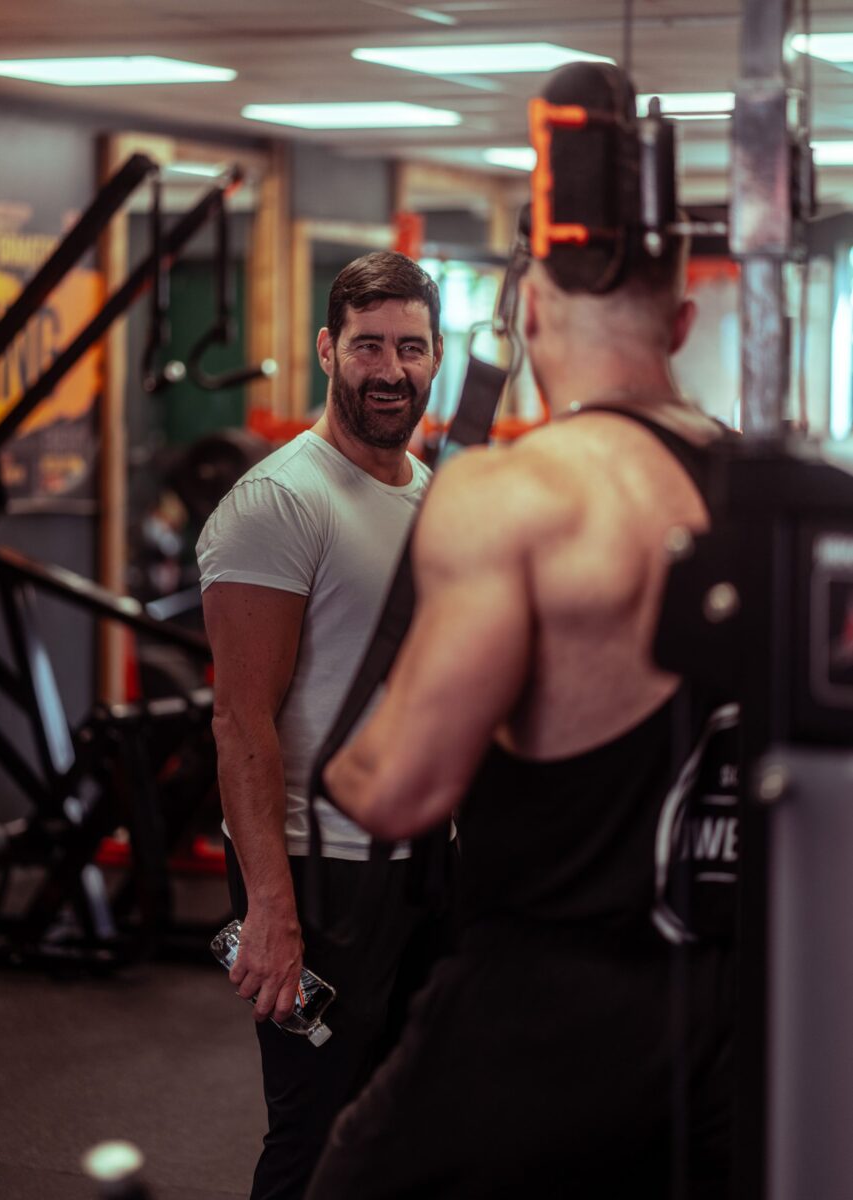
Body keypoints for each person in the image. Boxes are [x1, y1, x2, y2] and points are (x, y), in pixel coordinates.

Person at [304, 86, 737, 1199]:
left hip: (548, 1011)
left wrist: (335, 754)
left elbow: (399, 791)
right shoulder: (776, 497)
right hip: (745, 1014)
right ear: (682, 325)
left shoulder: (514, 493)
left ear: (527, 319)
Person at [197, 251, 455, 1200]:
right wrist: (268, 911)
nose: (390, 370)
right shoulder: (278, 502)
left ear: (437, 357)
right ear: (326, 350)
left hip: (423, 863)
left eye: (410, 348)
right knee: (317, 1140)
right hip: (321, 870)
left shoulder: (429, 492)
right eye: (367, 346)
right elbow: (240, 722)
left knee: (407, 1133)